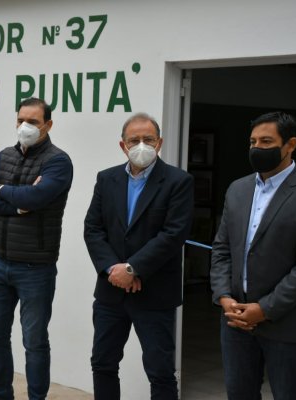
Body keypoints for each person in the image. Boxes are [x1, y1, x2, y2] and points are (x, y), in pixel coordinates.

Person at [83, 112, 194, 400]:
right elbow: (93, 229)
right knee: (103, 364)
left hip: (155, 293)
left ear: (160, 143)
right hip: (111, 291)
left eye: (148, 139)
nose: (141, 145)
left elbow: (173, 234)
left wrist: (133, 269)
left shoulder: (178, 181)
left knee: (160, 372)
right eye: (134, 140)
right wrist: (113, 270)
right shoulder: (106, 179)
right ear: (123, 145)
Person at [0, 97, 73, 400]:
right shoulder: (4, 155)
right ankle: (0, 394)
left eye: (33, 121)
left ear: (48, 125)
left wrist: (3, 190)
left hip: (36, 267)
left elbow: (36, 198)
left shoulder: (58, 161)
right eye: (21, 120)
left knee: (34, 341)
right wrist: (17, 206)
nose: (25, 127)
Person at [211, 111, 296, 400]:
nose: (257, 148)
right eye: (252, 142)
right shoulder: (238, 189)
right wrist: (225, 297)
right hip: (236, 322)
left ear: (290, 145)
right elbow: (222, 249)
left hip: (287, 326)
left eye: (266, 141)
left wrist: (264, 309)